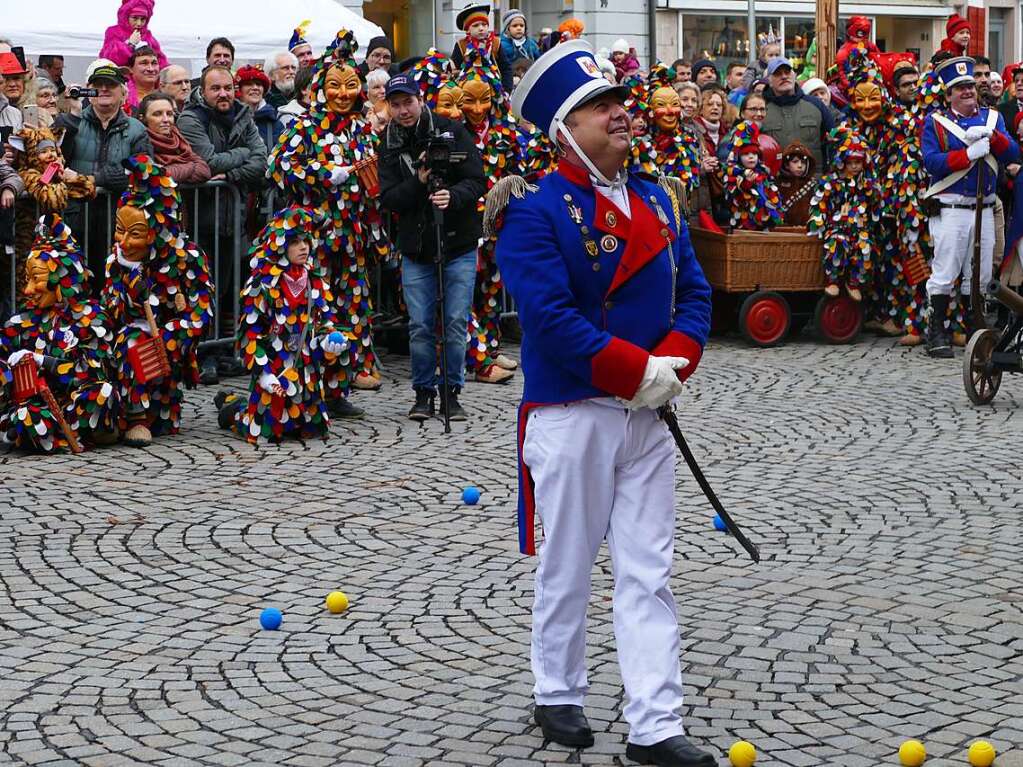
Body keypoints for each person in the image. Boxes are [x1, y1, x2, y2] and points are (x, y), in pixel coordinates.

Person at [492, 39, 715, 767]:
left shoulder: (657, 195)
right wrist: (634, 371)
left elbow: (694, 294)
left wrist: (669, 367)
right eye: (599, 106)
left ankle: (655, 723)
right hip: (573, 410)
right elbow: (550, 320)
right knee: (570, 559)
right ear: (563, 129)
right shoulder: (534, 210)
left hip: (646, 408)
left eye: (618, 101)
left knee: (648, 571)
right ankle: (556, 686)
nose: (620, 113)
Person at [267, 30, 388, 412]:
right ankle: (309, 381)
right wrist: (322, 173)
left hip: (353, 235)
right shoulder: (304, 127)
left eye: (351, 85)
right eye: (335, 86)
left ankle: (341, 384)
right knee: (315, 305)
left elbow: (374, 171)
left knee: (352, 305)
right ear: (320, 89)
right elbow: (278, 166)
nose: (343, 93)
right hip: (314, 237)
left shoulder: (362, 129)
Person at [378, 74, 486, 421]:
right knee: (421, 325)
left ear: (419, 99)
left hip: (458, 243)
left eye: (407, 102)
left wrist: (452, 196)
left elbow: (477, 180)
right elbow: (389, 198)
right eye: (395, 104)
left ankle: (451, 392)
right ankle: (423, 392)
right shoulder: (389, 141)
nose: (403, 110)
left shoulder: (450, 130)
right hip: (416, 246)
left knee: (455, 321)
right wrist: (419, 181)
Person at [103, 155, 213, 447]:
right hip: (127, 339)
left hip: (166, 343)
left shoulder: (187, 259)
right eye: (119, 230)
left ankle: (150, 413)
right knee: (127, 339)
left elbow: (201, 313)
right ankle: (133, 416)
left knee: (163, 416)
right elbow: (109, 306)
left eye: (135, 234)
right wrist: (128, 293)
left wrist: (168, 335)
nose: (123, 241)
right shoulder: (117, 260)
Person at [216, 207, 348, 443]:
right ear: (281, 245)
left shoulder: (315, 280)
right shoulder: (263, 283)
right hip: (275, 365)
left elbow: (324, 321)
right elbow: (249, 334)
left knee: (313, 429)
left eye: (306, 240)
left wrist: (329, 338)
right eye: (295, 242)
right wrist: (265, 373)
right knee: (263, 428)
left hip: (305, 370)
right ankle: (233, 409)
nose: (304, 247)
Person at [921, 56, 1020, 358]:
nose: (967, 91)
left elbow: (1014, 153)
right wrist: (966, 155)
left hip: (985, 208)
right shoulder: (935, 122)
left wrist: (995, 141)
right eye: (959, 88)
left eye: (969, 86)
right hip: (952, 208)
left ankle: (971, 326)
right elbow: (932, 162)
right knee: (945, 269)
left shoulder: (992, 119)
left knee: (977, 272)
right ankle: (937, 330)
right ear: (948, 94)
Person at [0, 215, 120, 452]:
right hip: (37, 403)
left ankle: (76, 432)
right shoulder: (25, 319)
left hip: (73, 401)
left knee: (103, 393)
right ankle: (33, 430)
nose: (28, 289)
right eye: (27, 279)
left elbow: (87, 374)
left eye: (37, 280)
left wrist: (41, 360)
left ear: (62, 278)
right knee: (26, 415)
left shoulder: (92, 317)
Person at [808, 126, 883, 302]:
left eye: (858, 162)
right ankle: (832, 280)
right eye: (850, 163)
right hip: (837, 227)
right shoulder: (831, 181)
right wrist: (818, 221)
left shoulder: (866, 182)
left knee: (865, 247)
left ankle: (854, 282)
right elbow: (820, 204)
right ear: (843, 162)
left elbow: (875, 205)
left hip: (859, 227)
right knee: (837, 243)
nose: (855, 167)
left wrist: (872, 191)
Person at [53, 63, 153, 194]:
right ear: (89, 92)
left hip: (120, 209)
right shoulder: (69, 121)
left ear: (123, 94)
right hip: (76, 207)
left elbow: (142, 168)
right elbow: (55, 160)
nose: (104, 89)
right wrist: (74, 116)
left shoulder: (137, 129)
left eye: (111, 85)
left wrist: (92, 179)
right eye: (98, 85)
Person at [177, 66, 267, 188]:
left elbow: (262, 161)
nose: (223, 94)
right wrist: (244, 152)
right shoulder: (190, 119)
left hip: (240, 202)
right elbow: (209, 163)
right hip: (204, 202)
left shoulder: (243, 114)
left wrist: (232, 175)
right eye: (216, 88)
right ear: (203, 92)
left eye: (228, 88)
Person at [761, 57, 834, 172]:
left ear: (794, 75)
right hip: (775, 183)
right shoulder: (761, 108)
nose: (784, 76)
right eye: (778, 74)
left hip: (814, 181)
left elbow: (836, 138)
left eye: (787, 72)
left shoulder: (816, 105)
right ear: (769, 81)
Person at [138, 92, 211, 184]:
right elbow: (154, 178)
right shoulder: (139, 142)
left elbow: (204, 172)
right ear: (143, 118)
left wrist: (170, 174)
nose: (165, 119)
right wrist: (190, 166)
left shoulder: (179, 139)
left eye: (169, 114)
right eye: (157, 114)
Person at [724, 121, 782, 231]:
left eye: (754, 154)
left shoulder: (764, 172)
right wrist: (747, 184)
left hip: (764, 224)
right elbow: (733, 197)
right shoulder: (732, 174)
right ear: (738, 157)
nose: (751, 157)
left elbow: (771, 193)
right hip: (743, 226)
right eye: (746, 154)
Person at [449, 5, 512, 94]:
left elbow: (505, 67)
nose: (481, 28)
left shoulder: (495, 43)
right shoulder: (461, 44)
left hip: (494, 90)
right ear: (468, 30)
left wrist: (506, 89)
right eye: (476, 25)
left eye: (484, 24)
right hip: (468, 92)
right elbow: (454, 69)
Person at [100, 0, 169, 69]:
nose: (139, 23)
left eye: (143, 19)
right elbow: (109, 59)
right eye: (135, 18)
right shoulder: (113, 32)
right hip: (121, 78)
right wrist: (130, 45)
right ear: (126, 16)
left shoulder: (148, 36)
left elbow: (161, 62)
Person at [235, 65, 283, 156]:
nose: (255, 87)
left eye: (259, 84)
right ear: (239, 90)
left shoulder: (274, 122)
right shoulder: (229, 119)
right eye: (249, 84)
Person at [776, 140, 816, 226]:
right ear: (786, 164)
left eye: (804, 162)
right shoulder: (777, 183)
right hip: (782, 231)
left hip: (807, 230)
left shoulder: (813, 185)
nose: (800, 165)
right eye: (795, 161)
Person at [125, 46, 161, 112]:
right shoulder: (122, 98)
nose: (151, 69)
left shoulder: (166, 94)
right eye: (144, 63)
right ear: (130, 69)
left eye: (154, 63)